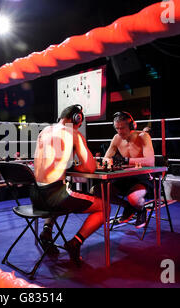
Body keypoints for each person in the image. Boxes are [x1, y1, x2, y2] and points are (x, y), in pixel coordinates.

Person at [33, 104, 103, 265]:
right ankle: (75, 243)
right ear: (77, 119)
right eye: (79, 123)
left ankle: (46, 231)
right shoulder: (74, 133)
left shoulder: (44, 131)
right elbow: (90, 168)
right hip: (54, 196)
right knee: (104, 208)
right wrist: (79, 165)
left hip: (36, 195)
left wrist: (69, 164)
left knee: (62, 192)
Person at [102, 111, 155, 228]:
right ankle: (128, 207)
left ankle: (141, 210)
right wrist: (108, 162)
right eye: (117, 128)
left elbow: (150, 161)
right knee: (98, 191)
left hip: (142, 177)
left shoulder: (143, 136)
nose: (120, 131)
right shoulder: (116, 138)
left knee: (134, 198)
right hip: (125, 177)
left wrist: (125, 161)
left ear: (131, 126)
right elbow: (105, 158)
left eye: (123, 128)